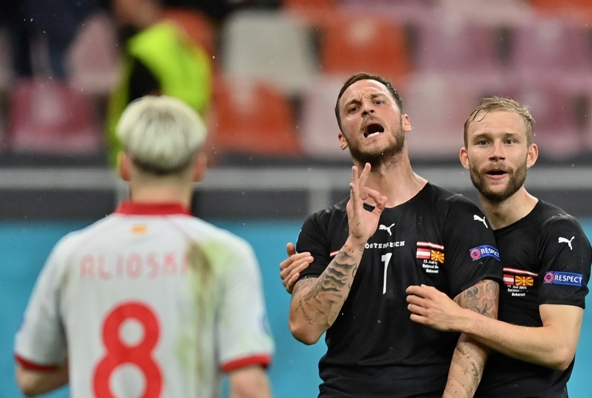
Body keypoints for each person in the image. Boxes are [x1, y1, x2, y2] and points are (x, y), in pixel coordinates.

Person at [14, 96, 274, 398]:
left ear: (124, 165)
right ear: (199, 167)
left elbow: (30, 377)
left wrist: (91, 347)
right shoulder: (223, 254)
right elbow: (247, 385)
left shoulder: (72, 252)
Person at [279, 72, 502, 397]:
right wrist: (354, 244)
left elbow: (477, 333)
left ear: (405, 121)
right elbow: (305, 328)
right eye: (353, 108)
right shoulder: (322, 226)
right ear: (342, 138)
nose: (367, 110)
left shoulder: (457, 215)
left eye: (378, 101)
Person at [406, 96, 592, 398]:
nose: (497, 154)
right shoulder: (451, 230)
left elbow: (559, 348)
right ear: (465, 157)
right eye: (483, 142)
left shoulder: (559, 233)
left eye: (510, 141)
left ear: (530, 154)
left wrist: (462, 319)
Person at [105, 0, 212, 168]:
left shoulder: (144, 50)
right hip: (186, 160)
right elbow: (208, 106)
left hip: (147, 165)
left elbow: (143, 114)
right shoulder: (186, 49)